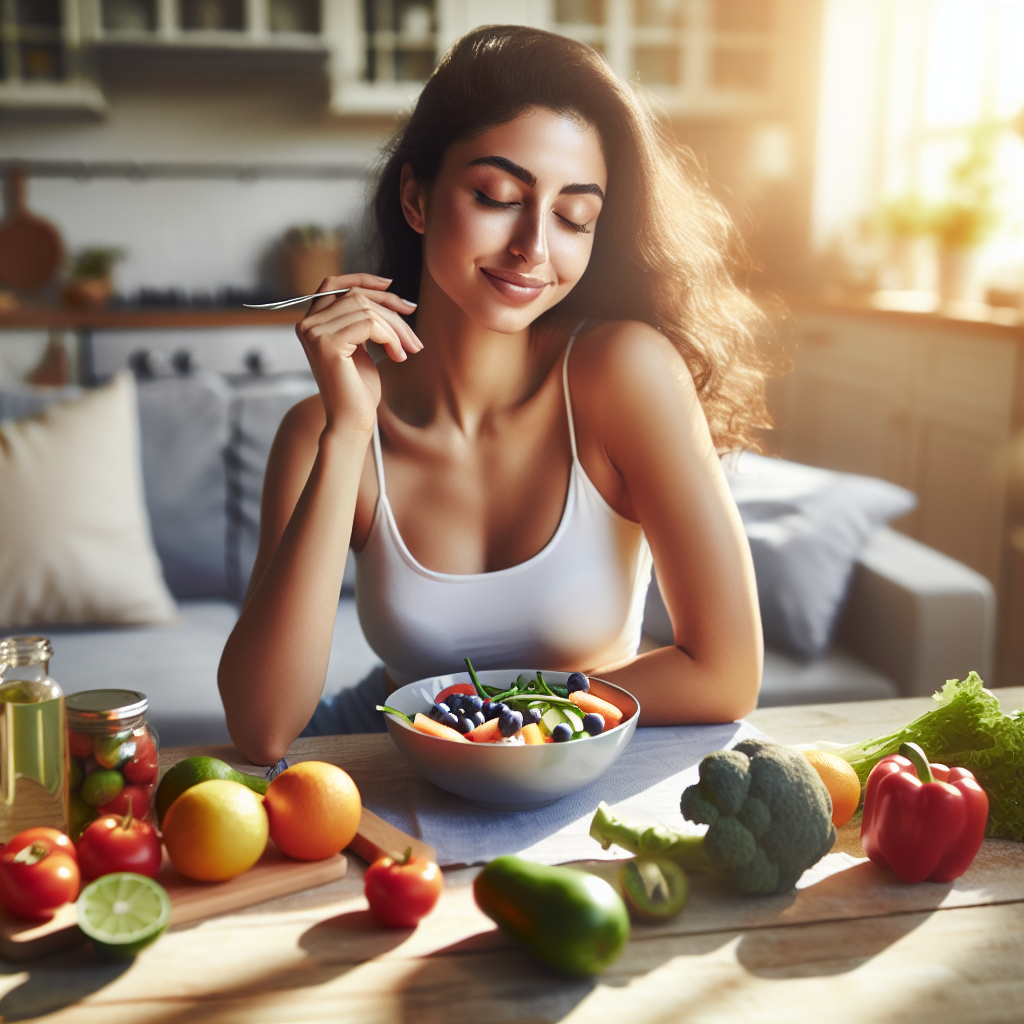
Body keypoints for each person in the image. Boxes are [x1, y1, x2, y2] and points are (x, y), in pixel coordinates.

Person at [219, 25, 771, 766]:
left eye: (575, 217)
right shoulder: (320, 429)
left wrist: (496, 727)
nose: (534, 248)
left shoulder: (625, 375)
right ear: (416, 197)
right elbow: (260, 730)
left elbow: (728, 675)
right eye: (497, 195)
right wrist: (349, 430)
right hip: (398, 762)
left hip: (568, 754)